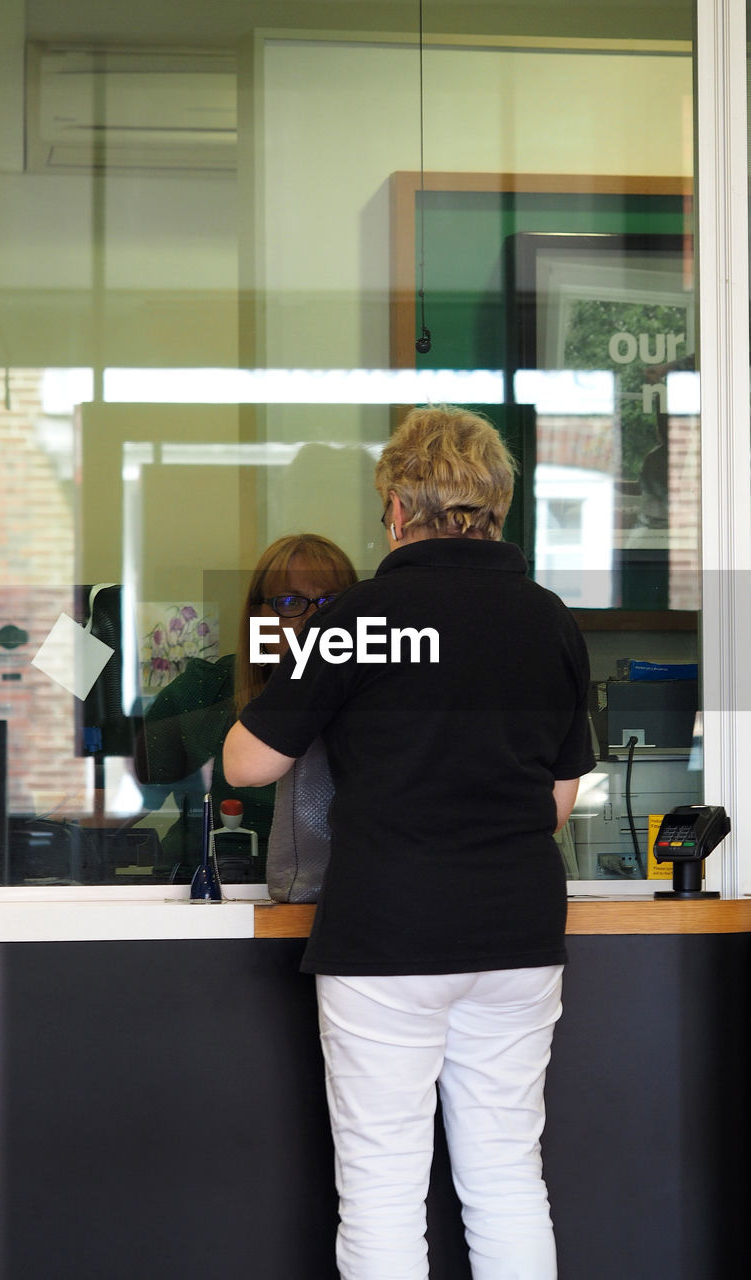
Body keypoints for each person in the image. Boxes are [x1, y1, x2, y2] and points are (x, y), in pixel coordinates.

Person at [223, 406, 596, 1279]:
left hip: (387, 931)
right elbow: (558, 799)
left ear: (396, 508)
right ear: (496, 505)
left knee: (383, 1189)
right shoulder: (548, 620)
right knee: (507, 1176)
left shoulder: (362, 615)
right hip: (517, 935)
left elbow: (247, 763)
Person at [134, 533, 357, 880]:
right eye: (289, 602)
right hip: (212, 890)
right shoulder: (209, 689)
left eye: (330, 602)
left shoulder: (376, 698)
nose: (312, 620)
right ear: (258, 616)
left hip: (332, 889)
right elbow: (126, 796)